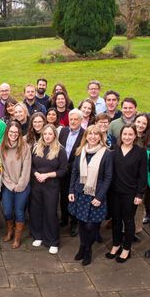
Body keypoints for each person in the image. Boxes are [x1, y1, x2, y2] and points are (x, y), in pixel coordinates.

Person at [68, 125, 113, 266]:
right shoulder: (80, 151)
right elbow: (74, 172)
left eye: (96, 134)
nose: (92, 137)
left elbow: (108, 177)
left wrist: (99, 197)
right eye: (90, 134)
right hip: (80, 193)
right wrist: (71, 191)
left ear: (100, 136)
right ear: (86, 136)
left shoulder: (106, 154)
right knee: (81, 223)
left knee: (91, 226)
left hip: (95, 194)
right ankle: (82, 246)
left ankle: (88, 249)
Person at [106, 124, 147, 263]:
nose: (127, 137)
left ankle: (126, 249)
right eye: (125, 134)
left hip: (131, 194)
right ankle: (116, 244)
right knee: (116, 220)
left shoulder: (140, 152)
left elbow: (142, 176)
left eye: (130, 134)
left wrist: (139, 194)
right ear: (121, 135)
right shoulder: (114, 150)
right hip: (114, 193)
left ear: (135, 136)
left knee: (128, 220)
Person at [30, 124, 67, 254]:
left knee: (50, 212)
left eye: (50, 134)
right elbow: (31, 166)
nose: (47, 136)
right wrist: (36, 174)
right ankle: (38, 236)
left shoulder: (60, 150)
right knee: (36, 211)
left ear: (54, 135)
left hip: (51, 186)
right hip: (37, 185)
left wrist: (47, 175)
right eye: (45, 134)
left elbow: (63, 170)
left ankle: (53, 241)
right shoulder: (36, 147)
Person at [0, 121, 31, 248]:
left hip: (22, 185)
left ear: (19, 134)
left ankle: (17, 238)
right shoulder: (1, 147)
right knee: (7, 211)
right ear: (7, 132)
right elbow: (2, 169)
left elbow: (26, 168)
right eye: (11, 132)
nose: (13, 134)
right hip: (8, 185)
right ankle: (10, 231)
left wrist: (20, 185)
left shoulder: (25, 148)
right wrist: (10, 185)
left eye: (16, 132)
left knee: (19, 211)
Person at [58, 109, 85, 236]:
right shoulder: (63, 131)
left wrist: (68, 167)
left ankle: (74, 223)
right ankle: (64, 219)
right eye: (71, 119)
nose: (73, 121)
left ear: (81, 120)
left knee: (74, 197)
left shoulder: (84, 134)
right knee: (63, 197)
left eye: (76, 119)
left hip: (75, 171)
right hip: (62, 171)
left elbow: (82, 155)